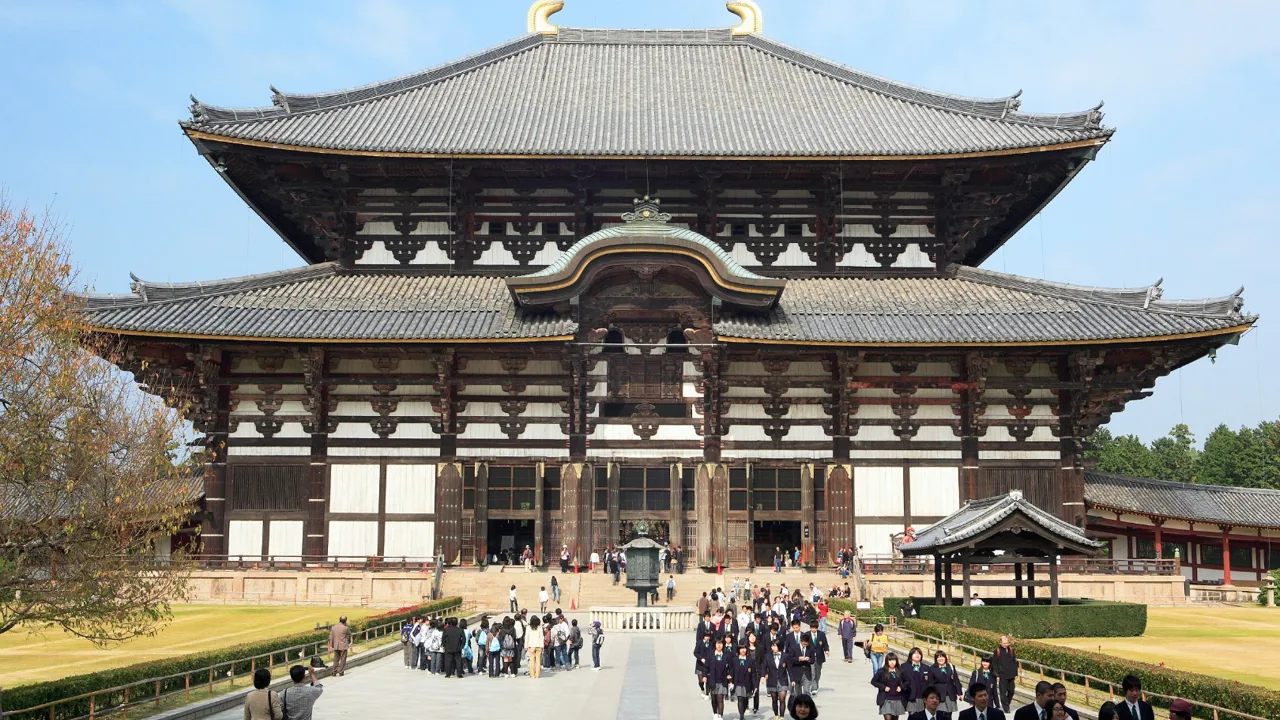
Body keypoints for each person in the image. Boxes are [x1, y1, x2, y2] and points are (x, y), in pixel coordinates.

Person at [870, 651, 909, 720]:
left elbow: (907, 681)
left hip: (897, 699)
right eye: (890, 660)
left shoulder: (900, 671)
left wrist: (901, 687)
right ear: (887, 661)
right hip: (886, 699)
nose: (892, 662)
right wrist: (883, 687)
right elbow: (873, 681)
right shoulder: (882, 671)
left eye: (894, 660)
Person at [707, 638, 733, 720]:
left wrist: (729, 675)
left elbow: (731, 667)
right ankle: (715, 713)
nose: (719, 645)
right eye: (717, 643)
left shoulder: (726, 655)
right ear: (715, 645)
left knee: (720, 699)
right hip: (712, 680)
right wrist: (704, 676)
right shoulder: (710, 655)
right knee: (714, 699)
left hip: (723, 681)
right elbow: (706, 667)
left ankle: (720, 716)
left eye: (721, 644)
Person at [763, 639, 790, 720]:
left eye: (775, 646)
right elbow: (764, 666)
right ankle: (776, 715)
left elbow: (789, 669)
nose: (773, 648)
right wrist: (763, 675)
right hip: (772, 680)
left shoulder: (785, 656)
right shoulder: (768, 656)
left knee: (782, 699)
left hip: (783, 680)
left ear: (779, 646)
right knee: (774, 699)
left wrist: (793, 679)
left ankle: (781, 717)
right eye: (772, 646)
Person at [991, 635, 1019, 712]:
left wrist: (1016, 673)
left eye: (1006, 643)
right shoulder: (997, 651)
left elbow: (1014, 662)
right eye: (1004, 643)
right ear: (1000, 643)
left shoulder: (1011, 650)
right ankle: (1006, 708)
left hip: (1011, 675)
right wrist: (997, 675)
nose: (1005, 645)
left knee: (1011, 691)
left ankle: (1007, 703)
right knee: (1003, 693)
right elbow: (994, 664)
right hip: (1002, 675)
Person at [732, 643, 758, 720]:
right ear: (738, 650)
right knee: (740, 699)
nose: (743, 650)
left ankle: (743, 712)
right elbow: (732, 671)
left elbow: (753, 674)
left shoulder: (750, 660)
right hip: (738, 683)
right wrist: (730, 681)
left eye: (744, 648)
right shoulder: (735, 660)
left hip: (747, 683)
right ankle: (741, 716)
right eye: (741, 648)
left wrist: (755, 686)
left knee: (745, 700)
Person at [904, 647, 930, 715]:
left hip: (923, 697)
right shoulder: (905, 666)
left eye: (919, 653)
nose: (917, 655)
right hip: (911, 697)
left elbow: (930, 682)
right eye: (915, 653)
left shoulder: (926, 667)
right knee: (912, 715)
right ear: (911, 655)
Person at [808, 621, 829, 690]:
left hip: (819, 657)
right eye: (812, 628)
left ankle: (816, 684)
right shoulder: (807, 634)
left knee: (818, 673)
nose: (814, 629)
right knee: (812, 672)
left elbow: (825, 643)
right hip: (810, 657)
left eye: (815, 628)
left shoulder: (821, 634)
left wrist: (826, 650)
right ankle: (813, 688)